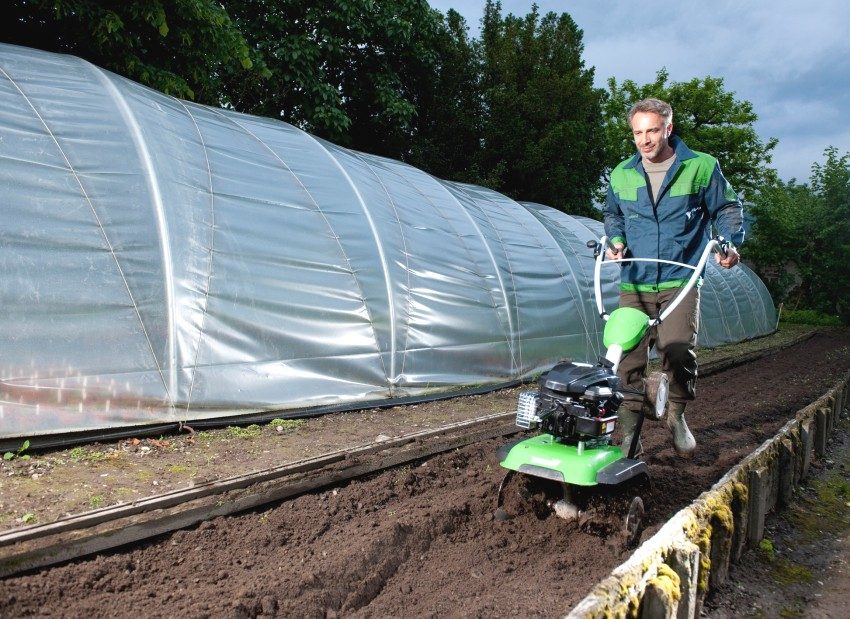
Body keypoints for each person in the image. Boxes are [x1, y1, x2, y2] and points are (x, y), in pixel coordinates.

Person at [603, 97, 744, 459]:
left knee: (677, 349)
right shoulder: (621, 173)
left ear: (668, 128)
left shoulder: (700, 167)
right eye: (638, 133)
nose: (645, 140)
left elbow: (727, 207)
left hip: (680, 278)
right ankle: (629, 436)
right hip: (635, 279)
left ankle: (677, 415)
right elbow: (613, 214)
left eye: (652, 130)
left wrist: (727, 241)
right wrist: (615, 239)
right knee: (626, 359)